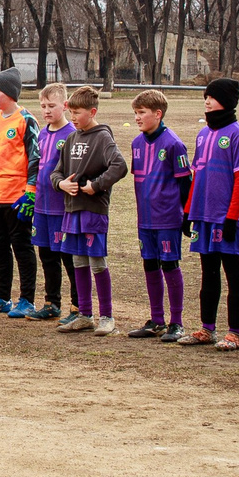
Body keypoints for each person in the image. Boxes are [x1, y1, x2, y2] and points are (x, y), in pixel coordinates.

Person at [175, 77, 239, 350]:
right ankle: (207, 328)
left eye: (212, 96)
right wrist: (188, 212)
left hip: (225, 216)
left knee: (232, 269)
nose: (206, 100)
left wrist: (232, 217)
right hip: (203, 214)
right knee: (208, 271)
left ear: (227, 101)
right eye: (205, 96)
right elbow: (197, 176)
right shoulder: (203, 133)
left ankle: (236, 333)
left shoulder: (236, 133)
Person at [53, 85, 129, 334]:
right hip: (71, 211)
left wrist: (95, 186)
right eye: (70, 112)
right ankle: (85, 314)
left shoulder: (103, 137)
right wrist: (61, 183)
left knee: (97, 262)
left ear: (92, 111)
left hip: (93, 211)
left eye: (76, 112)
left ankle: (107, 316)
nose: (72, 117)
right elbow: (56, 172)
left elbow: (119, 166)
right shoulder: (72, 139)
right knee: (78, 262)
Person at [127, 90, 190, 340]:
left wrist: (186, 215)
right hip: (145, 220)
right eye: (135, 113)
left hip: (168, 218)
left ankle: (176, 322)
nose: (137, 118)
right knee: (149, 265)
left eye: (142, 113)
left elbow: (186, 184)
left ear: (158, 113)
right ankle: (156, 319)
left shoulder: (174, 144)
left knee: (170, 266)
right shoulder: (136, 144)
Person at [0, 68, 39, 316]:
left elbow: (35, 157)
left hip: (15, 197)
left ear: (11, 94)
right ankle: (1, 296)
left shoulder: (26, 120)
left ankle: (27, 299)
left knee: (21, 247)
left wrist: (30, 191)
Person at [31, 83, 76, 322]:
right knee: (46, 254)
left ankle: (78, 306)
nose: (46, 111)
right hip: (41, 206)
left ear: (65, 106)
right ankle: (51, 302)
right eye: (43, 106)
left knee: (67, 256)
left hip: (62, 208)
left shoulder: (71, 134)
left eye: (52, 106)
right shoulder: (41, 132)